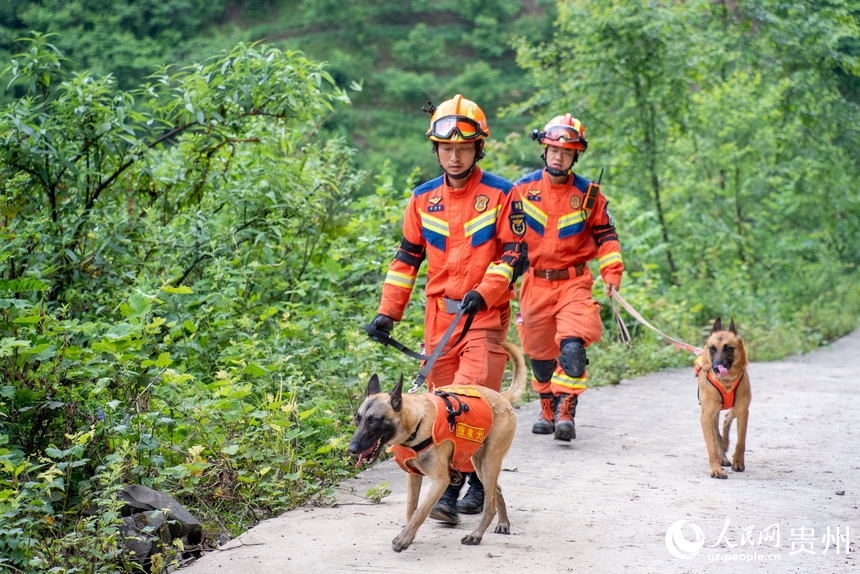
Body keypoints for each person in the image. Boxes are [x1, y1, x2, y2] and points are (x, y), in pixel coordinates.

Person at [367, 94, 527, 524]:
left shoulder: (502, 194)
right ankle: (455, 483)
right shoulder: (421, 199)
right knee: (437, 404)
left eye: (463, 148)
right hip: (439, 318)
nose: (454, 157)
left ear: (478, 148)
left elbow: (514, 256)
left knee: (465, 396)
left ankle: (458, 486)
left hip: (483, 315)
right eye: (446, 149)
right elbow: (406, 260)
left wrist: (487, 290)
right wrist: (388, 312)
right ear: (435, 149)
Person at [513, 113, 624, 441]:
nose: (558, 157)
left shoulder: (589, 195)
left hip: (574, 283)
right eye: (553, 150)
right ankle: (546, 404)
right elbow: (504, 238)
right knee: (541, 356)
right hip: (534, 283)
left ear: (576, 155)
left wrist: (612, 275)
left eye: (566, 152)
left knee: (572, 349)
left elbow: (607, 238)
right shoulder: (521, 190)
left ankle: (566, 408)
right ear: (544, 150)